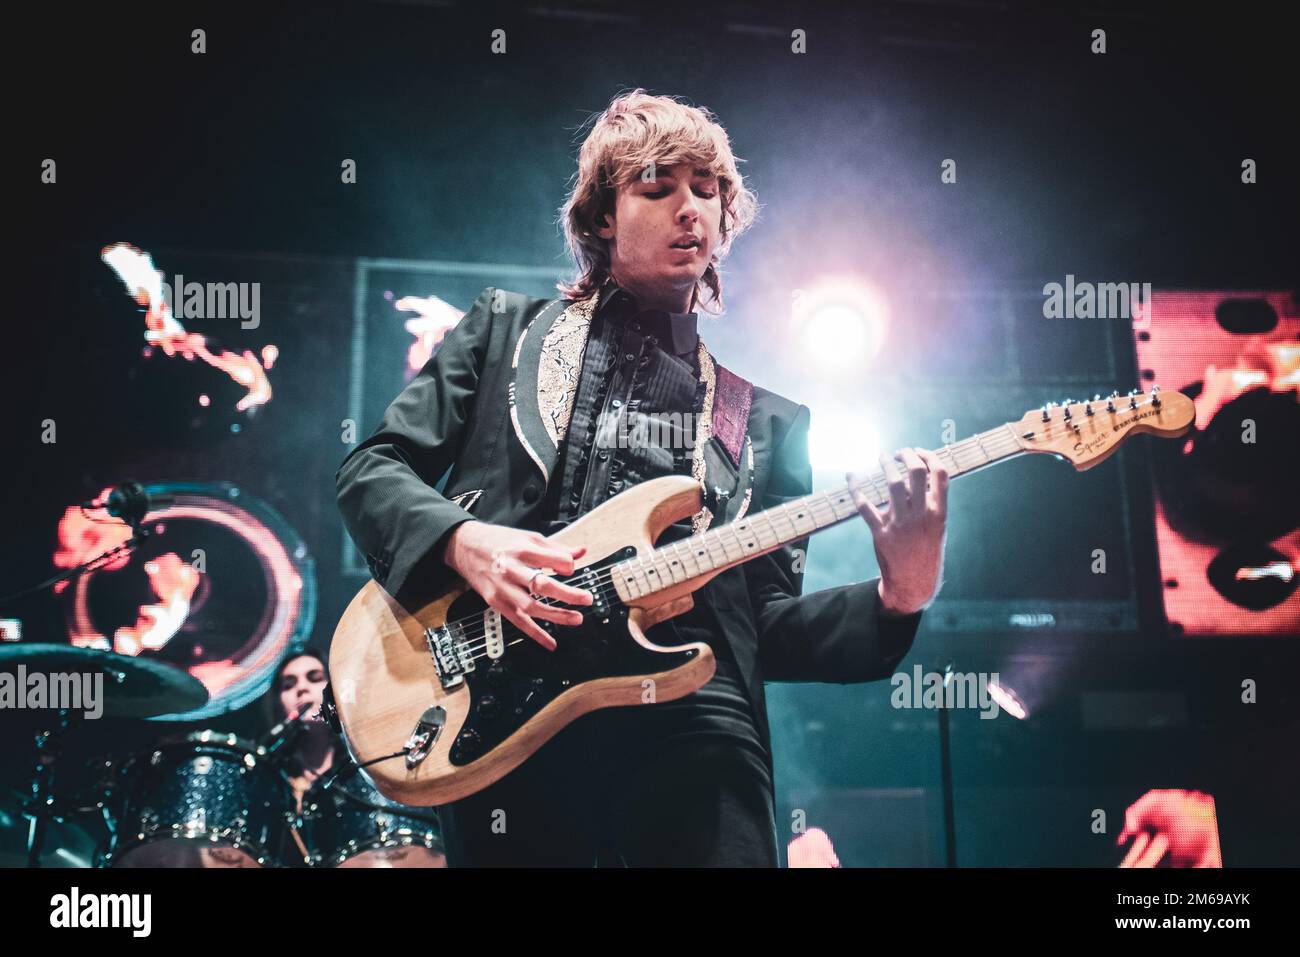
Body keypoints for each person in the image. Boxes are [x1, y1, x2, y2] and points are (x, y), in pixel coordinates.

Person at [335, 89, 949, 866]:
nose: (689, 208)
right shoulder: (501, 333)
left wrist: (901, 594)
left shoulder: (768, 421)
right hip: (502, 707)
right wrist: (465, 544)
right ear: (600, 217)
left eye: (708, 190)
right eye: (658, 188)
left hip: (697, 728)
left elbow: (765, 629)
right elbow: (370, 468)